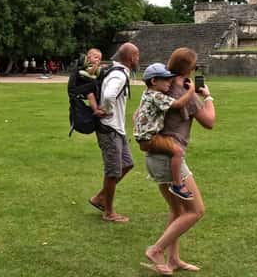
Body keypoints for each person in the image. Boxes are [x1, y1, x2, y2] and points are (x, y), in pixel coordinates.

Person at [142, 48, 215, 275]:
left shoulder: (159, 88)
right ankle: (156, 250)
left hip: (154, 156)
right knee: (195, 211)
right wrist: (208, 97)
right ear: (190, 69)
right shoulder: (186, 94)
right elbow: (209, 122)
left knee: (177, 210)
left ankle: (173, 259)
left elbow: (139, 116)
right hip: (170, 158)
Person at [88, 43, 140, 223]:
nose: (138, 59)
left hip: (117, 128)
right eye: (137, 56)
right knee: (113, 171)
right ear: (131, 58)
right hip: (109, 128)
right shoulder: (119, 74)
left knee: (127, 164)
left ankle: (100, 198)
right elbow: (110, 95)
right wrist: (107, 110)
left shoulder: (118, 72)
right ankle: (108, 212)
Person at [134, 63, 196, 200]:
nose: (170, 82)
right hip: (150, 138)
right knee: (178, 151)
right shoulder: (156, 96)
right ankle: (177, 184)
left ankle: (176, 183)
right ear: (154, 81)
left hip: (145, 137)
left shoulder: (146, 94)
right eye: (166, 79)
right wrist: (191, 91)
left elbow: (135, 116)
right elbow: (178, 104)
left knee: (175, 150)